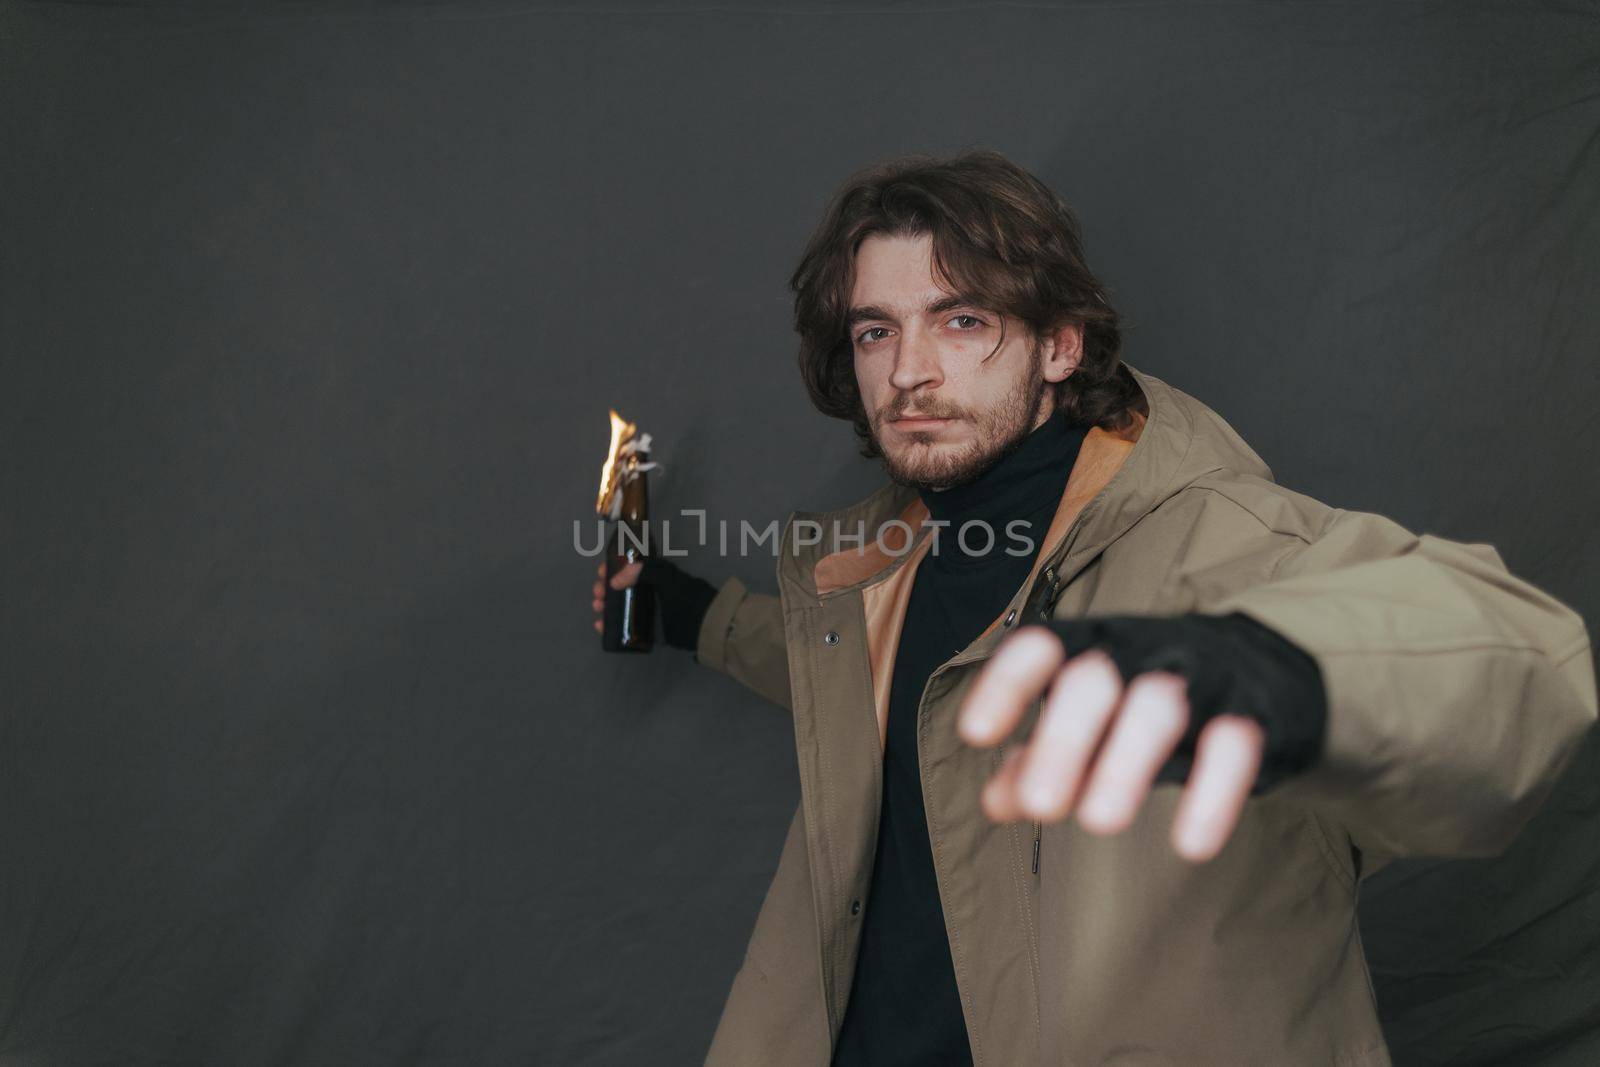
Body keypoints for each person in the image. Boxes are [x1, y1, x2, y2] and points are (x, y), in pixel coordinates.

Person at [588, 149, 1597, 1066]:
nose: (909, 369)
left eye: (963, 319)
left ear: (1061, 344)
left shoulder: (1227, 545)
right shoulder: (888, 558)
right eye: (874, 329)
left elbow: (1520, 664)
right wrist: (692, 611)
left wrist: (1288, 674)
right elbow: (858, 678)